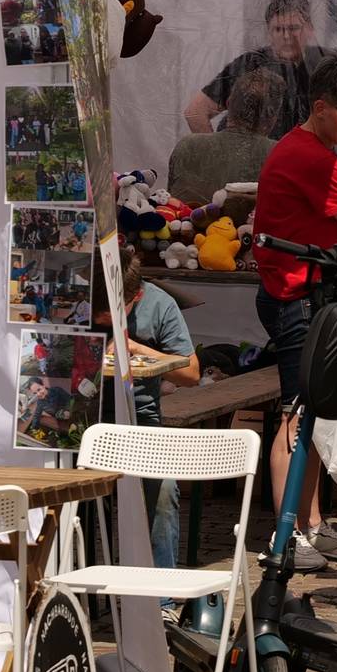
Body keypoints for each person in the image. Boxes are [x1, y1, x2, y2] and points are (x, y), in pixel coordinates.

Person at [247, 57, 337, 571]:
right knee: (296, 417)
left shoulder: (312, 148)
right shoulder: (313, 157)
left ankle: (311, 524)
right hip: (295, 299)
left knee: (313, 414)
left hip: (306, 296)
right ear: (320, 108)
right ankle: (286, 535)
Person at [102, 239, 201, 568]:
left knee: (163, 490)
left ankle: (162, 590)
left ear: (137, 295)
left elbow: (192, 373)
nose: (109, 315)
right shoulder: (83, 299)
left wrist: (138, 349)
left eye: (118, 307)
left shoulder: (159, 304)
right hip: (87, 418)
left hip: (140, 419)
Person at [187, 0, 337, 137]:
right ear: (268, 33)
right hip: (258, 153)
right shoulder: (250, 63)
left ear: (310, 29)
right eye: (278, 29)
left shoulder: (325, 64)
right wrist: (218, 150)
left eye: (293, 28)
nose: (286, 36)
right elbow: (196, 112)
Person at [167, 71, 279, 205]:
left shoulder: (187, 146)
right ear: (273, 116)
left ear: (228, 103)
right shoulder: (278, 155)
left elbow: (169, 205)